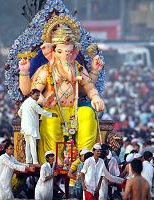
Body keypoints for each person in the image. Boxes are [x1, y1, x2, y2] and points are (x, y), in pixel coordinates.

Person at [18, 14, 105, 164]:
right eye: (60, 52)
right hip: (53, 109)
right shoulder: (47, 70)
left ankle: (84, 159)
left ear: (74, 52)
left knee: (88, 114)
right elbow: (31, 92)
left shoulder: (77, 68)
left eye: (69, 52)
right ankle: (53, 161)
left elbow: (89, 86)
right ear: (52, 51)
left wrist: (96, 97)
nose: (65, 55)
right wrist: (25, 73)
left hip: (74, 108)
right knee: (49, 122)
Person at [18, 89, 57, 164]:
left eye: (38, 96)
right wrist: (51, 114)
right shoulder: (33, 103)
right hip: (31, 127)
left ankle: (28, 161)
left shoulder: (25, 102)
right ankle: (35, 162)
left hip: (25, 126)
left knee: (28, 144)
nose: (38, 97)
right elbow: (41, 111)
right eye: (36, 95)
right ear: (31, 94)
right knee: (32, 144)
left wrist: (25, 118)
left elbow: (19, 112)